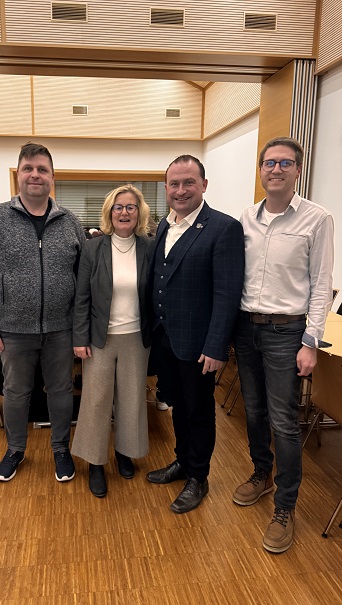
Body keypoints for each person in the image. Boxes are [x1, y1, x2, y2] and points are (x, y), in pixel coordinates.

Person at [232, 137, 334, 554]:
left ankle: (285, 507)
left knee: (284, 422)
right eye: (269, 163)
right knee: (253, 411)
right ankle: (261, 474)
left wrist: (311, 341)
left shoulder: (317, 218)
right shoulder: (245, 219)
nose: (276, 169)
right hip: (246, 328)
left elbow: (322, 284)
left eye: (285, 163)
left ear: (297, 170)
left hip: (286, 333)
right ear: (261, 170)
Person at [0, 142, 86, 484]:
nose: (35, 175)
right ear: (18, 175)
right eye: (28, 168)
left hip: (60, 329)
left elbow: (84, 277)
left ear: (52, 177)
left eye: (42, 169)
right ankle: (15, 449)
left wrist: (79, 326)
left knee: (61, 391)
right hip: (12, 330)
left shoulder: (69, 222)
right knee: (16, 393)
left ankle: (60, 449)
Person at [146, 154, 245, 514]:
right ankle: (183, 461)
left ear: (204, 185)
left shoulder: (223, 228)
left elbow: (227, 294)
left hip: (200, 344)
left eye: (189, 182)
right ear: (166, 188)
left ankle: (198, 477)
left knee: (199, 411)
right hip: (165, 339)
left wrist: (217, 346)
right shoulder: (164, 225)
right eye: (174, 183)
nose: (181, 190)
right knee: (177, 404)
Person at [71, 184, 153, 498]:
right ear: (109, 212)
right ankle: (95, 462)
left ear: (139, 212)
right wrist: (80, 337)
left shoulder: (149, 247)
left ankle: (124, 452)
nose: (124, 212)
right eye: (118, 207)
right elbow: (81, 298)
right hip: (99, 339)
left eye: (130, 207)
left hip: (136, 337)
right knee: (96, 400)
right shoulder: (93, 248)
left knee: (132, 399)